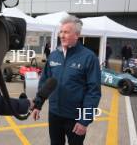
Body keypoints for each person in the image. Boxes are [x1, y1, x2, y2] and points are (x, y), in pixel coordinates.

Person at [32, 15, 101, 145]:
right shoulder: (54, 55)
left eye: (66, 32)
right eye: (61, 32)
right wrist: (38, 104)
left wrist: (84, 121)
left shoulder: (89, 58)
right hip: (54, 114)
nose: (62, 35)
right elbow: (45, 82)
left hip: (75, 118)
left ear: (77, 35)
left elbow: (93, 92)